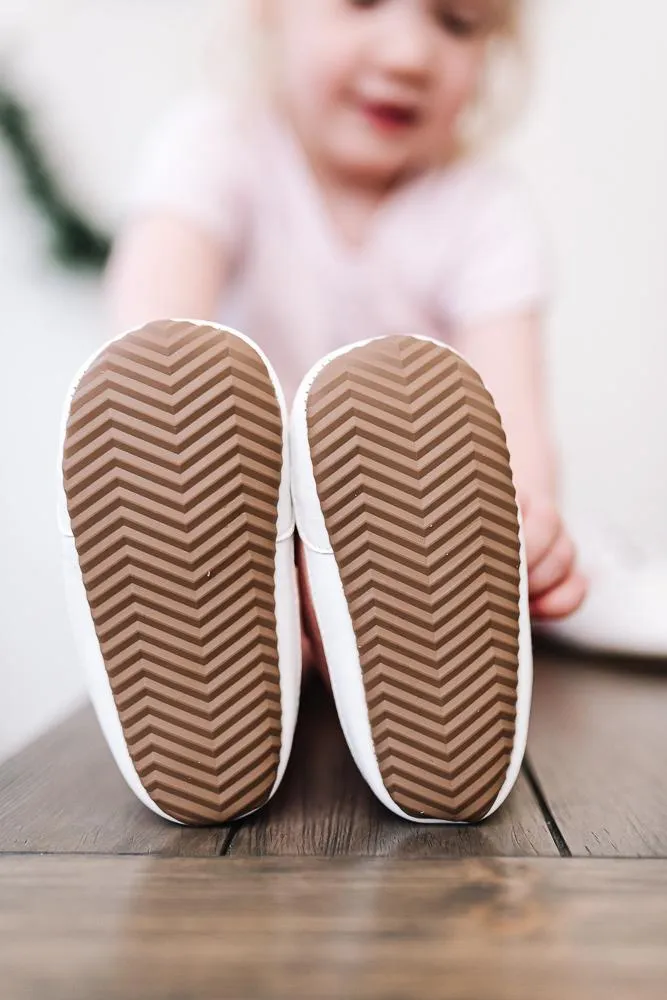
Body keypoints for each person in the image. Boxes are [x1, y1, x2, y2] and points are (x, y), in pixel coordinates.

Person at [59, 0, 588, 827]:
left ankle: (401, 651)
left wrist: (523, 529)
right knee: (173, 372)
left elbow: (511, 426)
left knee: (548, 553)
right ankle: (256, 628)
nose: (410, 52)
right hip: (241, 536)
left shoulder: (485, 208)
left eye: (456, 23)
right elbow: (151, 350)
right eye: (364, 2)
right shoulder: (218, 146)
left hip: (405, 554)